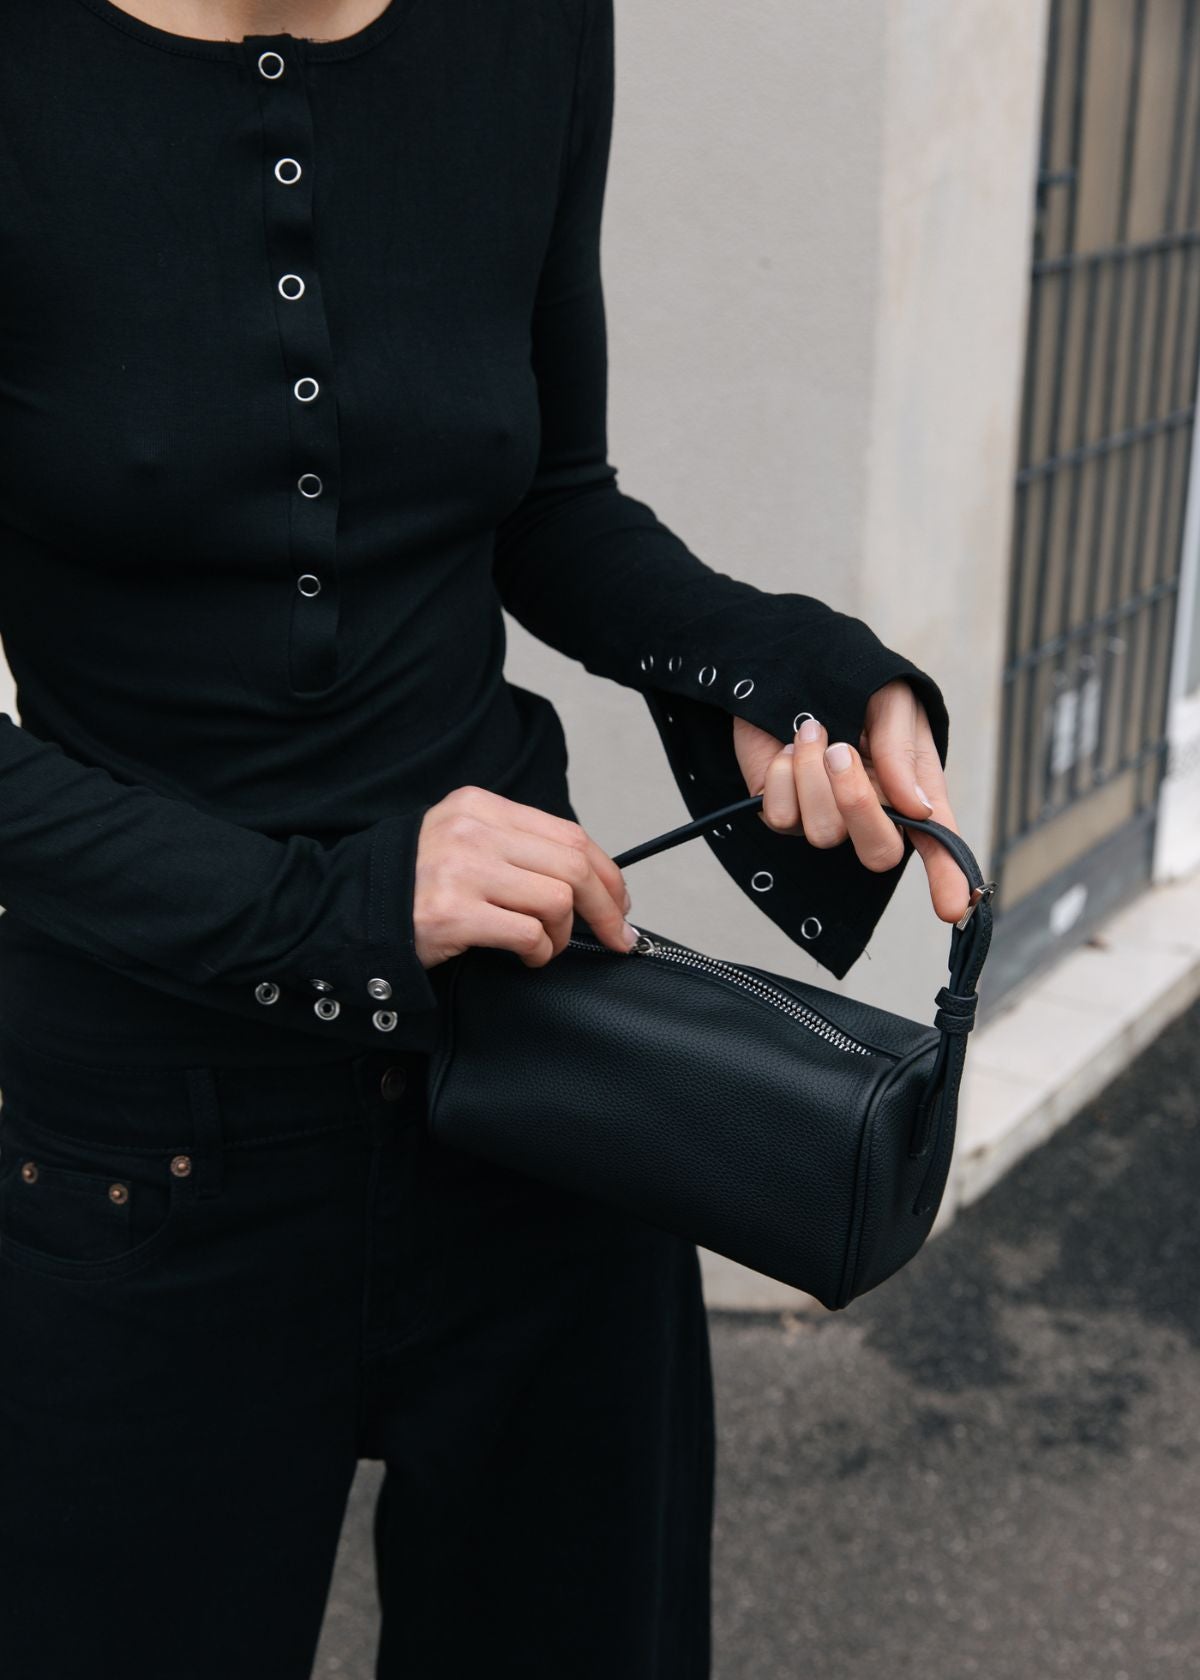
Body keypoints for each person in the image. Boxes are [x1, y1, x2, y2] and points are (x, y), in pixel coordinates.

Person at [0, 2, 968, 1676]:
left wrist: (788, 670)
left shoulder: (533, 27)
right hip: (145, 1138)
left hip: (541, 1067)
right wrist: (339, 906)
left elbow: (550, 501)